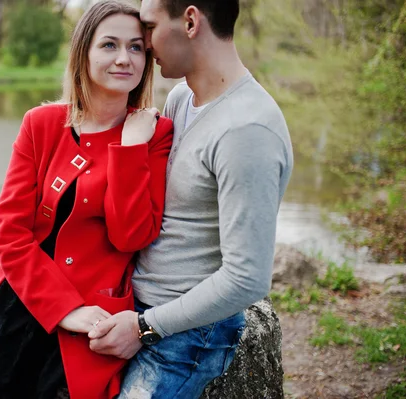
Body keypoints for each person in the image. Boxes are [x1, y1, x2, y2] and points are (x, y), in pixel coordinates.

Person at [88, 0, 294, 397]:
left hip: (188, 336)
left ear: (190, 21)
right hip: (134, 304)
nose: (144, 45)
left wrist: (145, 327)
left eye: (149, 28)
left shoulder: (247, 129)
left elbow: (247, 279)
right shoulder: (181, 98)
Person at [0, 1, 173, 398]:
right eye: (109, 45)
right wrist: (64, 310)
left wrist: (130, 148)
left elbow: (131, 236)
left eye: (135, 47)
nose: (124, 59)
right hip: (18, 304)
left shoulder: (155, 133)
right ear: (84, 52)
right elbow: (10, 233)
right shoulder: (41, 124)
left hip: (95, 322)